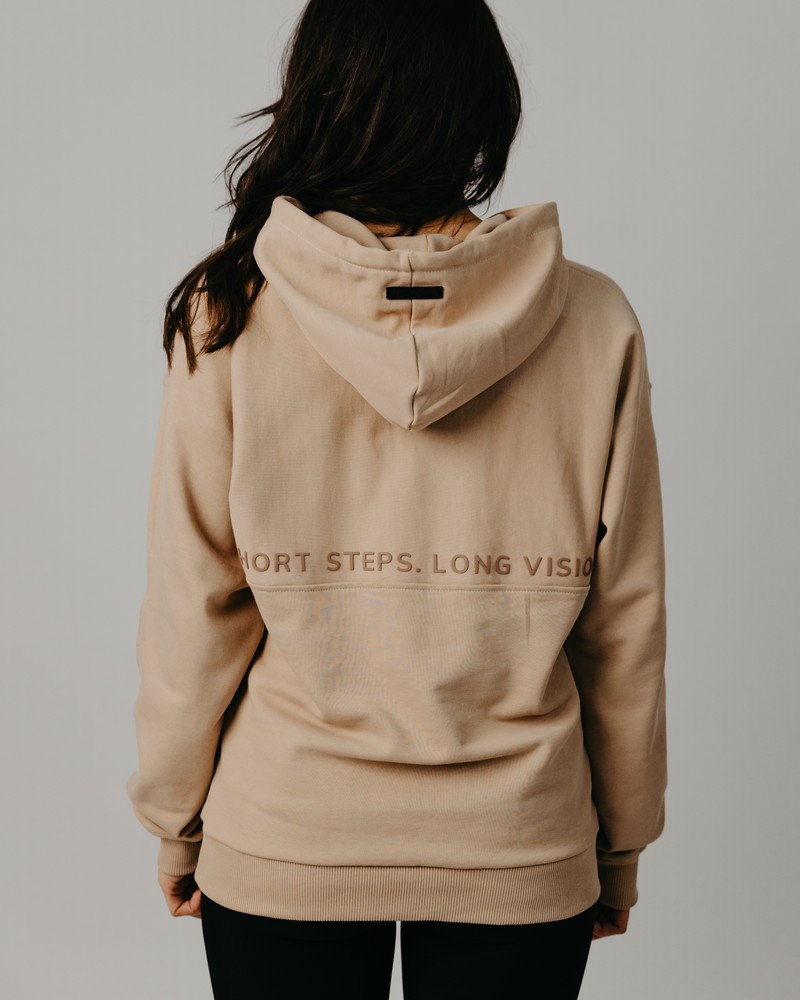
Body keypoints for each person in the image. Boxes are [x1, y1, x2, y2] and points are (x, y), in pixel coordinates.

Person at [125, 1, 668, 997]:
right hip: (518, 840)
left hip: (287, 828)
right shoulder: (593, 320)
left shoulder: (228, 312)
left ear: (316, 99)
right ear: (484, 107)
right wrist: (620, 841)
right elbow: (622, 623)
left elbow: (193, 607)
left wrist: (176, 819)